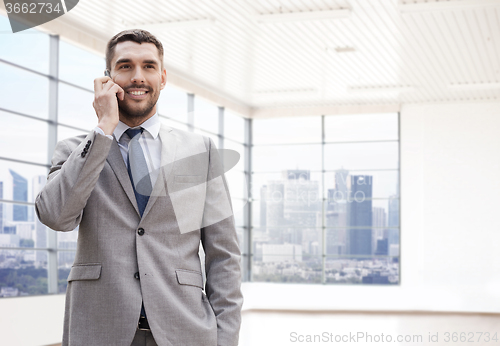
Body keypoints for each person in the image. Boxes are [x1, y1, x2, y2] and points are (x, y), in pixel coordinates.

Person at [35, 29, 243, 346]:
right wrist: (103, 128)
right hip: (99, 330)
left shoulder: (199, 151)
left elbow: (224, 255)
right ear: (108, 78)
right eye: (125, 66)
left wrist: (226, 339)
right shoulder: (76, 151)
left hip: (185, 331)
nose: (137, 77)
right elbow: (55, 216)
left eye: (148, 66)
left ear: (162, 77)